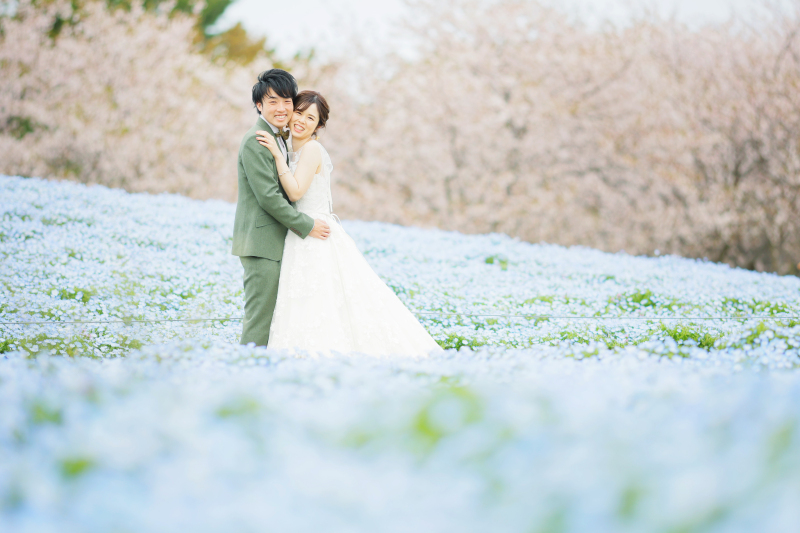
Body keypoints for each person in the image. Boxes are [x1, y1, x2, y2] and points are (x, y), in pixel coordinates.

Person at [256, 90, 442, 357]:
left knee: (321, 300)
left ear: (318, 126)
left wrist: (275, 155)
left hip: (315, 233)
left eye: (311, 118)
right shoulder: (290, 147)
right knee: (303, 301)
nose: (301, 121)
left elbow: (296, 192)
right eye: (299, 112)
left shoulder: (311, 149)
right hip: (300, 230)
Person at [231, 69, 331, 347]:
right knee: (260, 321)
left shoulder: (280, 138)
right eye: (272, 101)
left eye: (287, 101)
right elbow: (269, 198)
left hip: (277, 242)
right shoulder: (257, 140)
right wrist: (306, 225)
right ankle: (246, 373)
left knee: (280, 319)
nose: (282, 108)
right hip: (262, 243)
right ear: (259, 105)